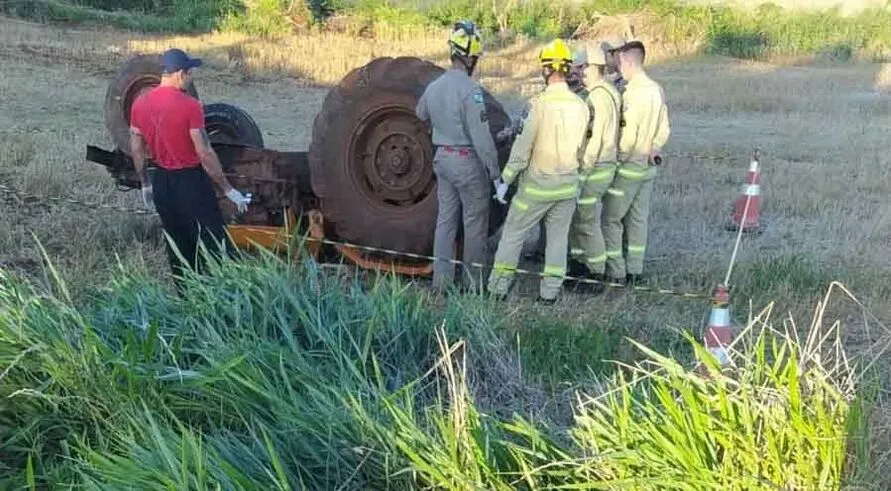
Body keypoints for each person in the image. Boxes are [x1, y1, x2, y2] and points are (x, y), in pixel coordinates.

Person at [129, 48, 251, 289]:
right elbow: (204, 152)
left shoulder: (139, 104)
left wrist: (145, 183)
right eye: (190, 72)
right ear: (179, 74)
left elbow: (136, 149)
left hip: (162, 182)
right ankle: (221, 295)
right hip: (190, 183)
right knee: (213, 242)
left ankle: (187, 297)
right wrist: (228, 189)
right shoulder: (190, 106)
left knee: (178, 246)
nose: (192, 77)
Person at [487, 39, 590, 304]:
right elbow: (581, 150)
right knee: (557, 242)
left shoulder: (538, 105)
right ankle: (549, 294)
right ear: (567, 70)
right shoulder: (581, 105)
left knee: (512, 236)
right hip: (567, 187)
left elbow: (521, 151)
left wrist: (505, 181)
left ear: (545, 70)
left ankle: (498, 288)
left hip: (535, 189)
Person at [416, 21, 502, 294]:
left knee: (445, 221)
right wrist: (495, 173)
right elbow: (482, 138)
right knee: (475, 223)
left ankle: (441, 283)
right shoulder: (470, 90)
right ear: (471, 57)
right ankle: (473, 285)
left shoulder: (434, 87)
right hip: (467, 161)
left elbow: (420, 114)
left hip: (442, 159)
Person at [600, 40, 670, 286]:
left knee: (611, 220)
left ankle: (616, 271)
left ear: (629, 62)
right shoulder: (656, 89)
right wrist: (656, 147)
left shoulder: (632, 93)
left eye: (620, 63)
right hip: (648, 169)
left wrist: (614, 160)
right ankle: (635, 269)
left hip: (628, 169)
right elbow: (664, 128)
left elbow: (627, 137)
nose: (618, 68)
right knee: (638, 220)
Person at [566, 41, 623, 294]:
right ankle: (580, 265)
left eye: (580, 67)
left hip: (596, 167)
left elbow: (595, 139)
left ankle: (595, 274)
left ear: (592, 67)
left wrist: (583, 171)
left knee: (588, 224)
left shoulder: (597, 97)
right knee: (581, 220)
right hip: (606, 165)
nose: (576, 72)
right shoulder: (610, 91)